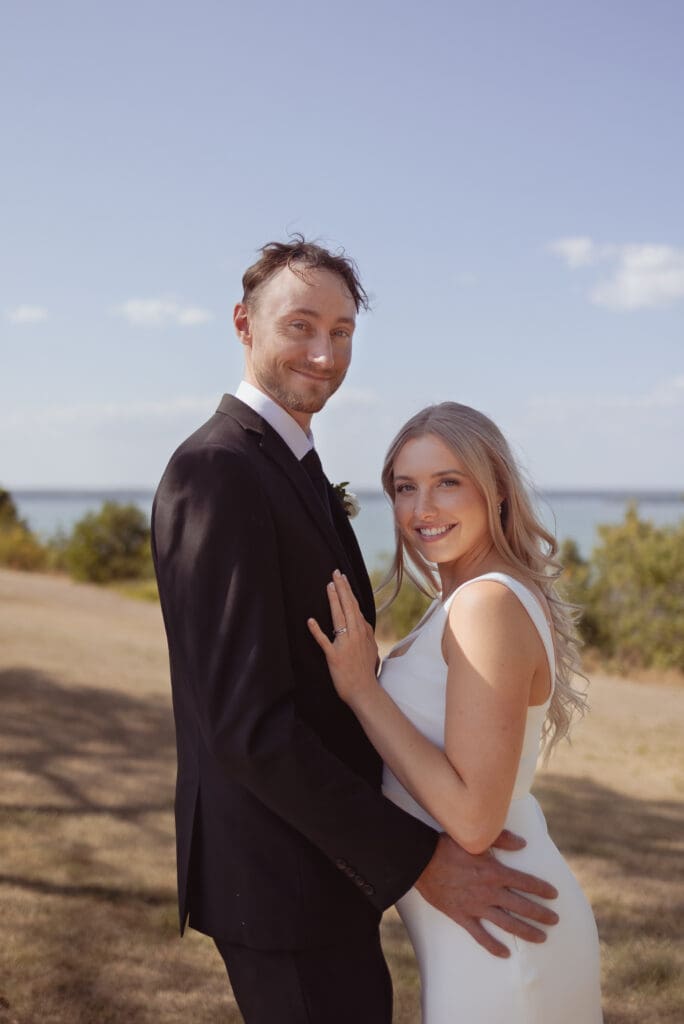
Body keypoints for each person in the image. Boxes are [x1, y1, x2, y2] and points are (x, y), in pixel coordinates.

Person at [151, 240, 559, 1024]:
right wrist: (417, 864)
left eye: (341, 332)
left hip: (323, 874)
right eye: (300, 326)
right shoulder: (219, 470)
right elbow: (248, 728)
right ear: (243, 324)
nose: (323, 352)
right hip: (278, 881)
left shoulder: (289, 464)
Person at [309, 401, 603, 1023]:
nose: (423, 510)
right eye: (405, 488)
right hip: (482, 927)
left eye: (448, 482)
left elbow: (473, 820)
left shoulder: (486, 604)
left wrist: (364, 689)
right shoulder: (466, 597)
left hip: (504, 932)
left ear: (494, 487)